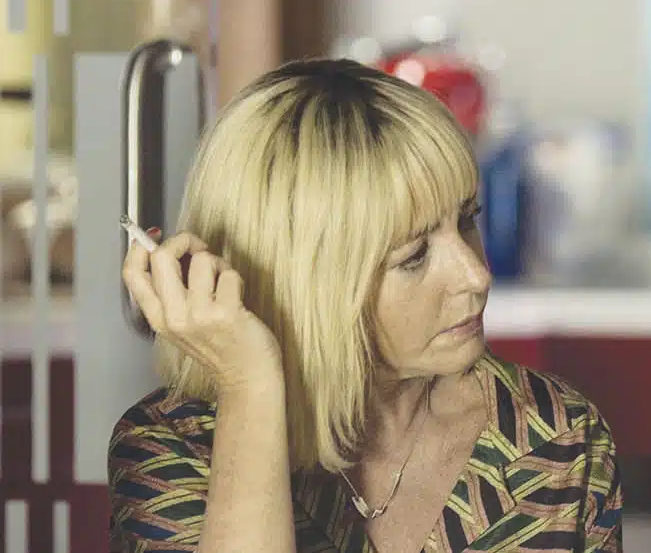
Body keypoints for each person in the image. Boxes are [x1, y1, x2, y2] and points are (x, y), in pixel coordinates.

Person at [109, 59, 623, 552]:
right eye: (415, 255)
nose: (476, 275)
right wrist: (251, 387)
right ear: (309, 281)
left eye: (468, 219)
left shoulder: (556, 435)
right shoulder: (172, 449)